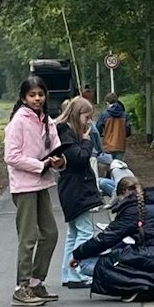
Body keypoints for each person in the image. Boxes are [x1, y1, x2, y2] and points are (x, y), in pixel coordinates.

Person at [3, 75, 65, 306]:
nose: (37, 98)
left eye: (40, 94)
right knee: (28, 237)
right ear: (23, 97)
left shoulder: (47, 120)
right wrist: (40, 165)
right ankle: (21, 286)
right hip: (24, 185)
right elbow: (12, 156)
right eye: (32, 95)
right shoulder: (18, 121)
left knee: (50, 234)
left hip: (43, 183)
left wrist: (59, 162)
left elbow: (56, 148)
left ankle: (37, 282)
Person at [71, 176, 154, 301]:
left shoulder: (132, 210)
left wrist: (78, 254)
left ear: (123, 193)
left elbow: (106, 238)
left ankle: (135, 287)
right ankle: (150, 286)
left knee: (85, 264)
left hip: (152, 262)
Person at [53, 97, 107, 289]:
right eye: (87, 117)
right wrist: (86, 141)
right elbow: (80, 159)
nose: (89, 122)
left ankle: (67, 273)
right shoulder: (67, 134)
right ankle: (77, 272)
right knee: (84, 231)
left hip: (72, 188)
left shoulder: (64, 132)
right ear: (77, 115)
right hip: (77, 189)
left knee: (73, 232)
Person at [92, 92, 131, 165]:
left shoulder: (104, 114)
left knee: (108, 167)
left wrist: (102, 134)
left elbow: (98, 129)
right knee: (118, 167)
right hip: (120, 145)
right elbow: (128, 131)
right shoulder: (124, 115)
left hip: (108, 145)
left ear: (107, 102)